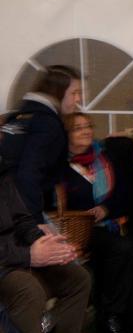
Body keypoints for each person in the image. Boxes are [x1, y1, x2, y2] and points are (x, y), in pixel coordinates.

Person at [0, 157, 106, 333]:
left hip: (14, 256)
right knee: (28, 290)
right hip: (7, 263)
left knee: (77, 278)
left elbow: (21, 218)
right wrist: (28, 256)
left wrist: (42, 241)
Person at [60, 112, 133, 333]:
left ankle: (132, 318)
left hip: (109, 222)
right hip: (77, 229)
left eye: (88, 126)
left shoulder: (105, 158)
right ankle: (111, 314)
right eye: (78, 128)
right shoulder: (62, 167)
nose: (86, 131)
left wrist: (106, 208)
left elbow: (123, 194)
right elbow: (62, 205)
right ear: (67, 134)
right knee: (121, 249)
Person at [0, 65, 83, 225]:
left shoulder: (20, 116)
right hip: (18, 212)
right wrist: (34, 225)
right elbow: (28, 175)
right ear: (58, 92)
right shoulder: (47, 124)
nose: (78, 99)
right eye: (74, 93)